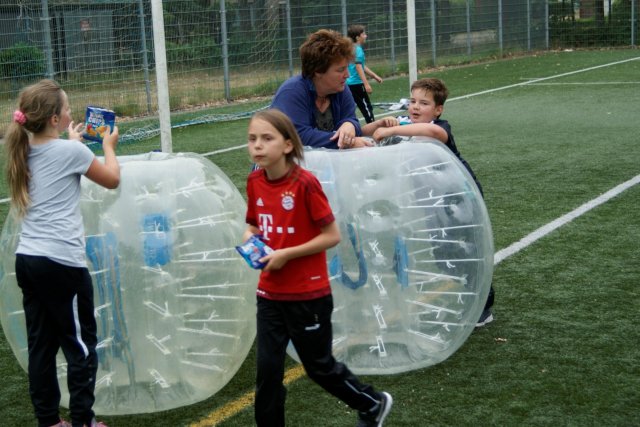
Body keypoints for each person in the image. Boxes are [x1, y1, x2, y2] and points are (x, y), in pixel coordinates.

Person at [242, 109, 393, 427]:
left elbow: (331, 236)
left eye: (266, 138)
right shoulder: (255, 180)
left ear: (286, 145)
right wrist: (250, 240)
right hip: (269, 294)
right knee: (267, 374)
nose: (257, 145)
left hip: (306, 296)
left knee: (319, 366)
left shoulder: (304, 184)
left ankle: (372, 402)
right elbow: (254, 224)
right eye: (252, 138)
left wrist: (287, 254)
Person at [4, 79, 120, 427]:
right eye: (68, 109)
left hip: (28, 260)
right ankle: (84, 421)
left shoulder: (23, 150)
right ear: (54, 118)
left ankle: (49, 421)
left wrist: (74, 144)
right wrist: (109, 146)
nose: (72, 114)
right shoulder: (73, 153)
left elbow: (57, 159)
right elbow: (112, 179)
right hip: (62, 265)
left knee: (41, 345)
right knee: (80, 344)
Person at [362, 77, 495, 327]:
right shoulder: (404, 124)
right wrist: (381, 123)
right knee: (441, 251)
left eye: (424, 103)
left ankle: (484, 307)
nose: (415, 107)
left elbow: (433, 133)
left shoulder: (439, 126)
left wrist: (392, 130)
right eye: (412, 101)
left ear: (438, 109)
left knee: (465, 250)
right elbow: (366, 133)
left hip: (458, 199)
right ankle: (466, 292)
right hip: (429, 201)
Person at [271, 29, 373, 150]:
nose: (347, 75)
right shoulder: (291, 92)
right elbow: (300, 136)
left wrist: (349, 124)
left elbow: (352, 118)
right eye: (340, 70)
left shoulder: (341, 89)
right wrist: (347, 142)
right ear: (318, 71)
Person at [347, 24, 383, 124]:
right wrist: (366, 84)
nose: (366, 36)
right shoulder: (358, 50)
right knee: (366, 107)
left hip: (347, 84)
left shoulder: (351, 48)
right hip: (356, 84)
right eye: (364, 34)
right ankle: (372, 127)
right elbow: (358, 67)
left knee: (349, 108)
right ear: (358, 37)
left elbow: (361, 65)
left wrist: (374, 76)